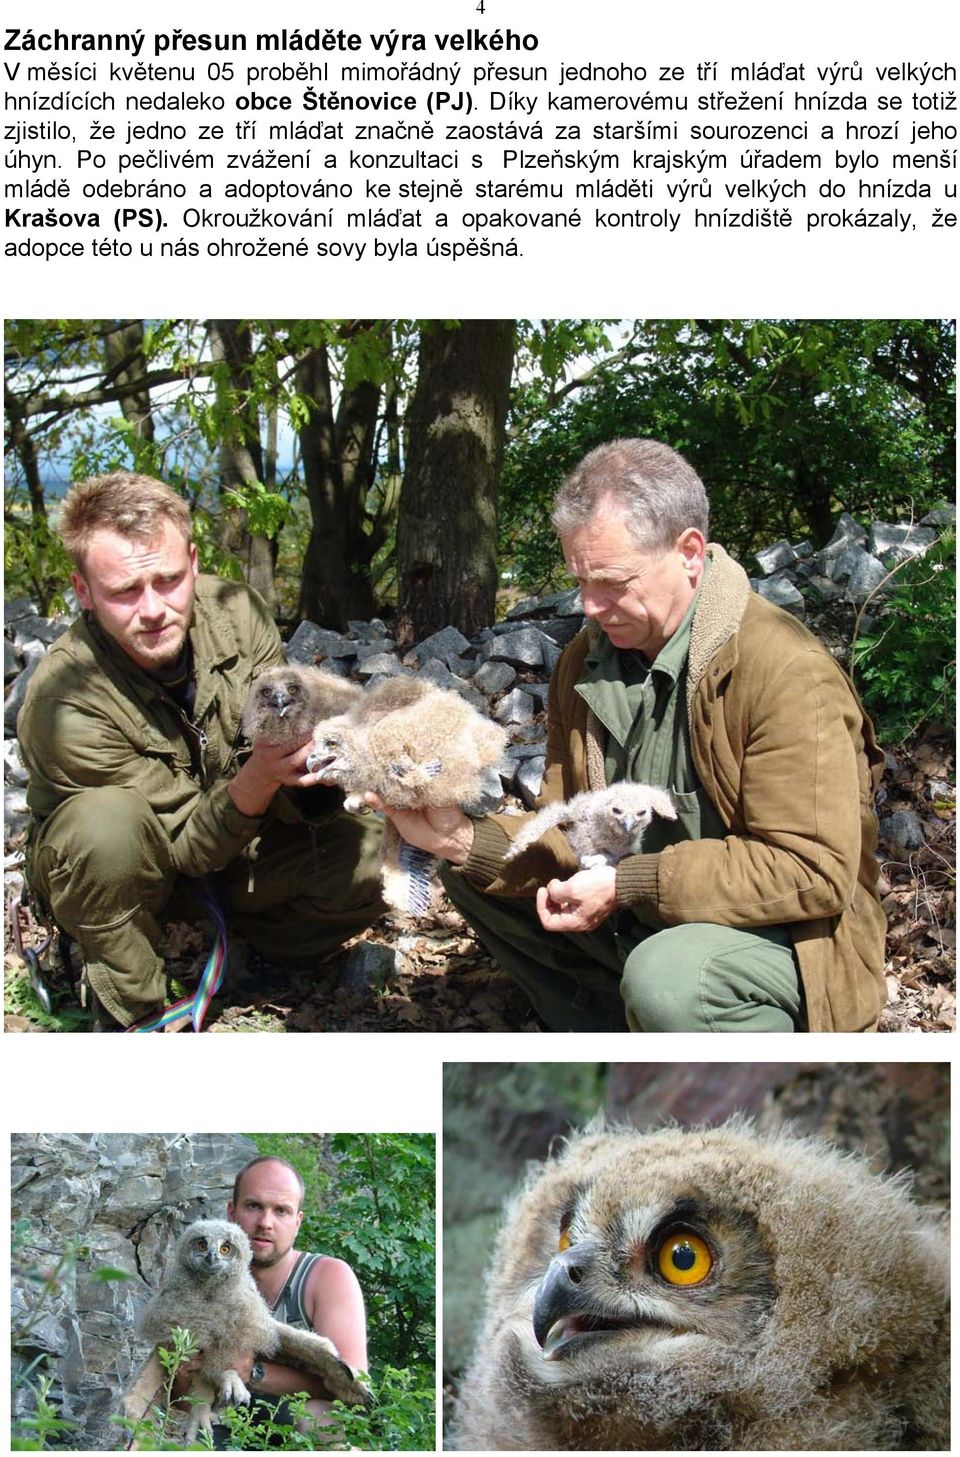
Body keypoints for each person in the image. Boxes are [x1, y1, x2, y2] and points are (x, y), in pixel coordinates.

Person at [368, 439, 887, 1033]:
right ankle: (613, 1035)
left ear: (689, 552)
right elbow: (567, 827)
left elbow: (810, 873)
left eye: (612, 581)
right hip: (640, 921)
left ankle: (706, 1038)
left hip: (781, 944)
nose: (590, 605)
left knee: (668, 979)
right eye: (581, 581)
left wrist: (626, 883)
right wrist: (456, 838)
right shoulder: (584, 662)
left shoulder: (785, 672)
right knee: (474, 866)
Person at [17, 471, 384, 1029]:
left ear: (191, 562)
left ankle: (257, 955)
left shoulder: (239, 612)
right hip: (132, 874)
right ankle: (134, 1009)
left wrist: (316, 770)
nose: (153, 609)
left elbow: (275, 736)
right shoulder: (63, 700)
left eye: (167, 580)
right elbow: (181, 849)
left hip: (234, 841)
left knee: (380, 851)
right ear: (84, 591)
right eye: (123, 592)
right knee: (103, 828)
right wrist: (261, 778)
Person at [178, 1154, 368, 1440]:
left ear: (298, 1221)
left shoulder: (326, 1276)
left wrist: (253, 1372)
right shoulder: (197, 1276)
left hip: (298, 1425)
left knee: (324, 1420)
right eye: (254, 1206)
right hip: (221, 1421)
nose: (265, 1222)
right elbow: (178, 1395)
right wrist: (189, 1372)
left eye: (281, 1211)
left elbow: (356, 1389)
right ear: (232, 1213)